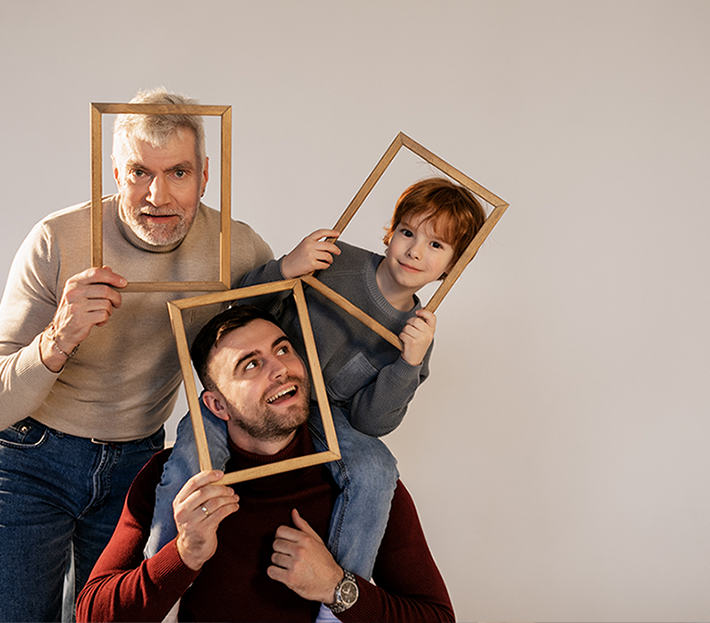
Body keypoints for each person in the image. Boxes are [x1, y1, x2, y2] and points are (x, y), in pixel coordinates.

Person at [0, 87, 274, 621]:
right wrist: (58, 336)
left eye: (178, 173)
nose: (158, 195)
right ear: (114, 173)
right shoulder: (57, 238)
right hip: (31, 458)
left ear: (205, 174)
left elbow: (281, 354)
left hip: (139, 460)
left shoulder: (237, 249)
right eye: (139, 172)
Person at [146, 177, 486, 582]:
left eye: (436, 245)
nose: (415, 251)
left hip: (327, 414)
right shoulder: (337, 261)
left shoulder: (418, 334)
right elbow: (238, 309)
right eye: (408, 232)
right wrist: (286, 268)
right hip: (257, 390)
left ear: (454, 265)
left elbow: (371, 422)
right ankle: (162, 570)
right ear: (391, 233)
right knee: (194, 447)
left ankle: (334, 593)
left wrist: (407, 364)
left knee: (376, 468)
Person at [77, 305, 454, 621]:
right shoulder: (174, 478)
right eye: (251, 365)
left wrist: (336, 586)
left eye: (283, 349)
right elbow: (91, 613)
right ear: (217, 405)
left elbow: (437, 617)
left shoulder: (360, 480)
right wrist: (183, 554)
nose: (280, 369)